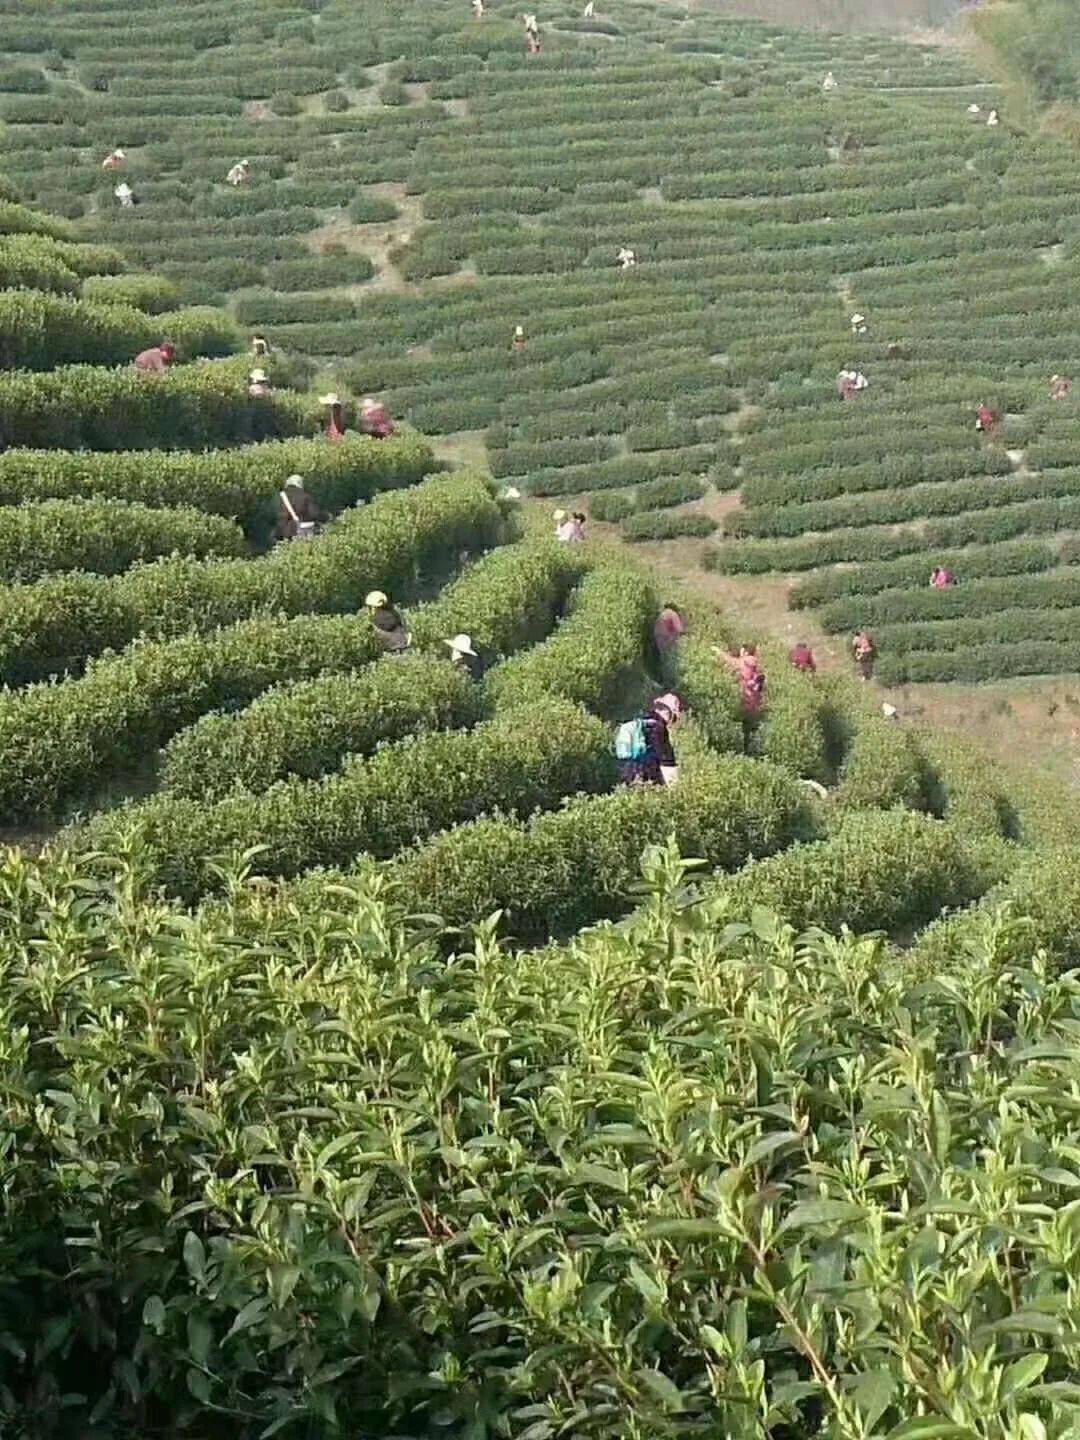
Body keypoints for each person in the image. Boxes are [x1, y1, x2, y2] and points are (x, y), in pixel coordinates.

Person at [276, 474, 325, 541]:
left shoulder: (280, 496)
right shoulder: (304, 496)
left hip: (283, 533)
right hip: (300, 531)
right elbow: (314, 514)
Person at [366, 591, 410, 656]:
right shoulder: (396, 615)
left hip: (389, 655)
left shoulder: (374, 623)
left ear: (373, 607)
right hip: (405, 650)